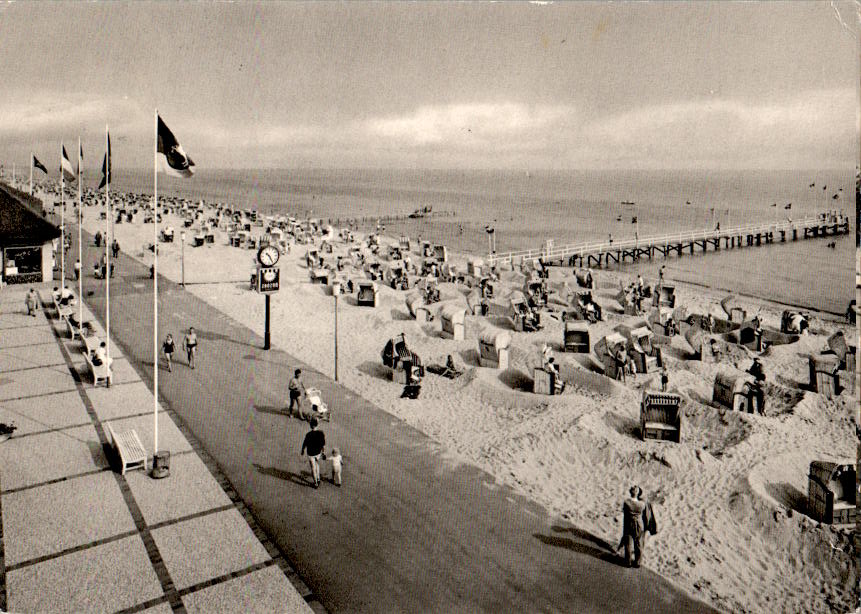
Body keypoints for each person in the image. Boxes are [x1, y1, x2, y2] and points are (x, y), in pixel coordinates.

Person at [618, 486, 646, 567]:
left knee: (628, 543)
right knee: (639, 543)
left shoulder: (627, 502)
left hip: (629, 523)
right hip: (639, 524)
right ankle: (638, 562)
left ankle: (628, 562)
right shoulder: (642, 504)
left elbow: (625, 513)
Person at [300, 417, 326, 488]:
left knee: (313, 468)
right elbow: (323, 445)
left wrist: (302, 450)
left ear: (310, 426)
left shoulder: (308, 434)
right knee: (317, 464)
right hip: (318, 453)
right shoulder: (321, 433)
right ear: (317, 425)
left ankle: (315, 483)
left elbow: (304, 443)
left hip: (310, 453)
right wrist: (323, 453)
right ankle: (318, 478)